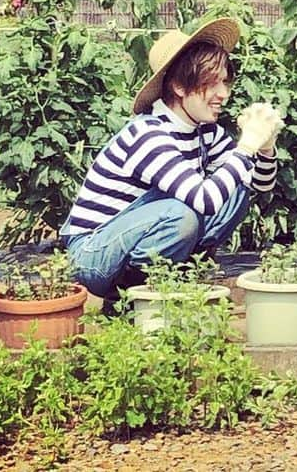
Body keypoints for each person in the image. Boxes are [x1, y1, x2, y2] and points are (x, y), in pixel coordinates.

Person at [60, 18, 283, 299]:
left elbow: (258, 186)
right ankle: (131, 299)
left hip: (133, 239)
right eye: (212, 83)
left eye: (225, 82)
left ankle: (176, 281)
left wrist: (265, 147)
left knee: (236, 189)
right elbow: (204, 200)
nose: (223, 94)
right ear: (179, 86)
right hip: (93, 253)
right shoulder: (148, 134)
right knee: (181, 214)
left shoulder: (205, 132)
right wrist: (247, 144)